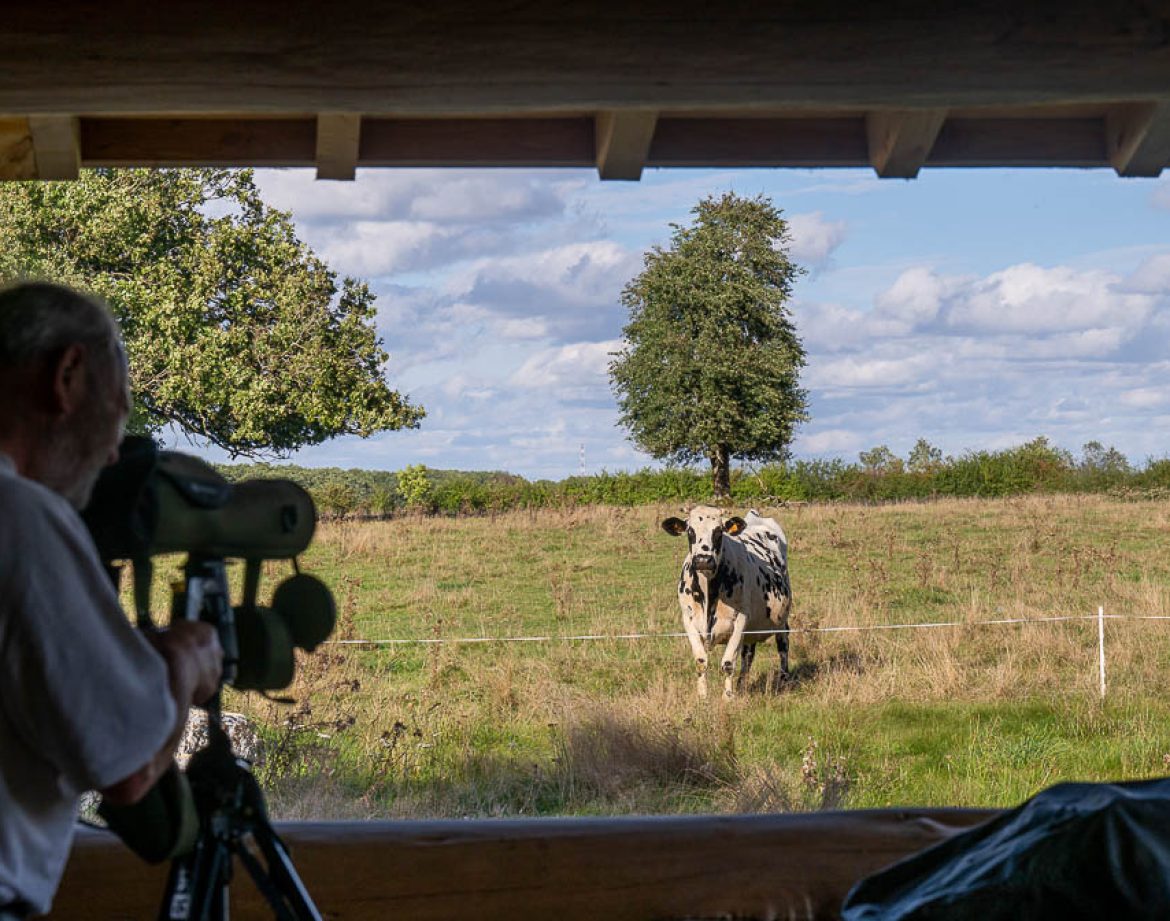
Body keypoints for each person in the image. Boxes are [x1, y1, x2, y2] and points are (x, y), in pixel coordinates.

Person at [0, 281, 223, 918]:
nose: (113, 449)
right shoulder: (20, 517)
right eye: (118, 411)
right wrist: (182, 665)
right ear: (67, 375)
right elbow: (128, 773)